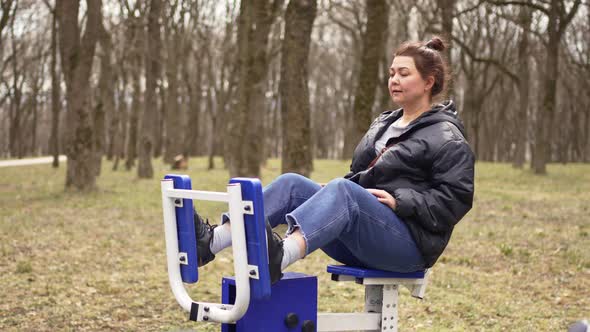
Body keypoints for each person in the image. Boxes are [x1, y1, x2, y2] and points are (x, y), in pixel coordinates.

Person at [194, 36, 475, 284]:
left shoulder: (446, 136)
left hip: (407, 247)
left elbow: (456, 199)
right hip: (363, 234)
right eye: (391, 74)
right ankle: (210, 241)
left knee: (343, 191)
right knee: (293, 184)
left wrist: (399, 201)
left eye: (404, 73)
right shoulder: (385, 123)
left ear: (429, 82)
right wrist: (330, 190)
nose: (394, 80)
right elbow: (363, 175)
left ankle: (278, 258)